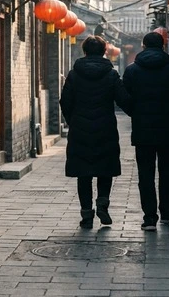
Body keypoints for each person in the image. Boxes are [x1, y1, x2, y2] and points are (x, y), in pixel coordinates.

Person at [122, 31, 169, 231]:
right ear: (163, 47)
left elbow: (123, 99)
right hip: (168, 130)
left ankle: (149, 218)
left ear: (143, 47)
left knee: (145, 174)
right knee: (167, 172)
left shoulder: (132, 71)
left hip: (143, 131)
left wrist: (135, 113)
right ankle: (167, 213)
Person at [59, 35, 132, 229]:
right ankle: (102, 203)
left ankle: (86, 215)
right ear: (104, 51)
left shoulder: (74, 74)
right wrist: (138, 113)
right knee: (104, 168)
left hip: (80, 129)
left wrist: (73, 120)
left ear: (85, 51)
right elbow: (123, 99)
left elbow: (64, 101)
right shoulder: (111, 74)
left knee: (84, 173)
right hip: (105, 127)